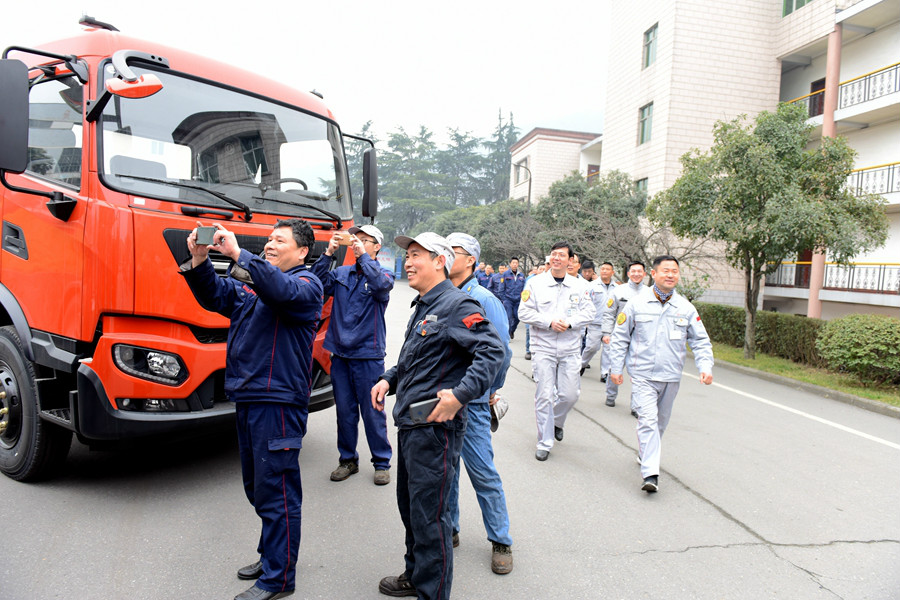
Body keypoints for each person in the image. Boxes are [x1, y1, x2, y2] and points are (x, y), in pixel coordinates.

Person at [181, 220, 323, 600]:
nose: (271, 244)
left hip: (277, 402)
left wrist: (238, 253)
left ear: (302, 252)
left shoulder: (306, 285)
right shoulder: (255, 285)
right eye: (270, 239)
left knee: (277, 490)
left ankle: (279, 578)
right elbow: (215, 294)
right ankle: (273, 555)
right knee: (257, 487)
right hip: (248, 396)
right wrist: (199, 260)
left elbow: (282, 290)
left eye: (281, 240)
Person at [371, 233, 505, 600]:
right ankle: (416, 575)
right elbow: (416, 359)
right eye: (407, 255)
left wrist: (460, 396)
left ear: (440, 261)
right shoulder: (425, 305)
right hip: (412, 425)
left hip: (435, 431)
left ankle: (432, 592)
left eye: (416, 255)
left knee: (432, 520)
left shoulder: (457, 304)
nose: (408, 262)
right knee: (413, 510)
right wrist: (388, 379)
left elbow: (492, 352)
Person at [607, 255, 714, 493]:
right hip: (643, 374)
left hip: (671, 376)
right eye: (665, 271)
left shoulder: (685, 308)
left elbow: (701, 341)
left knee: (661, 423)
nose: (670, 275)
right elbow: (620, 337)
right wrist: (616, 368)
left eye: (674, 271)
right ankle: (651, 474)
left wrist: (705, 367)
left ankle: (646, 454)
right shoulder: (637, 303)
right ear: (653, 274)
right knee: (648, 420)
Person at [445, 232, 514, 575]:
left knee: (482, 471)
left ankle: (501, 539)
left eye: (452, 253)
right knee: (448, 470)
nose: (445, 258)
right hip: (443, 399)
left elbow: (500, 352)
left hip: (470, 401)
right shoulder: (441, 293)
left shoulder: (485, 299)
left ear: (471, 259)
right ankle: (451, 529)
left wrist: (489, 390)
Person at [311, 224, 394, 485]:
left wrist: (363, 257)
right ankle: (348, 460)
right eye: (356, 239)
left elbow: (380, 286)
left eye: (366, 240)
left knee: (373, 411)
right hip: (341, 356)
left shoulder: (382, 274)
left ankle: (381, 462)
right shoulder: (342, 274)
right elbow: (316, 285)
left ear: (376, 246)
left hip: (368, 356)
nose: (358, 242)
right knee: (345, 412)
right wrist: (328, 253)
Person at [518, 241, 595, 461]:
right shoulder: (535, 283)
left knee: (570, 394)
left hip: (570, 348)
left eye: (562, 255)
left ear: (571, 260)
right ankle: (544, 441)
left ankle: (557, 422)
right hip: (543, 347)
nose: (557, 258)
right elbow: (524, 312)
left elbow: (590, 313)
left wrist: (569, 322)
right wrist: (548, 321)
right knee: (544, 395)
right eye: (554, 254)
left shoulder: (581, 286)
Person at [601, 261, 646, 411]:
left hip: (641, 340)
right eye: (633, 271)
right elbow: (608, 314)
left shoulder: (649, 293)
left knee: (639, 375)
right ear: (628, 273)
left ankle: (636, 406)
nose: (636, 274)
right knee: (615, 367)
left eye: (640, 271)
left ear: (644, 274)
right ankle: (611, 395)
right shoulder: (618, 292)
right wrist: (607, 333)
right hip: (620, 337)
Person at [581, 261, 617, 380]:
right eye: (603, 269)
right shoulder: (592, 286)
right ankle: (581, 364)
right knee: (592, 347)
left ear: (612, 272)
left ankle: (605, 373)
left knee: (608, 350)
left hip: (610, 325)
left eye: (608, 269)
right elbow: (586, 302)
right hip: (595, 323)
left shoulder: (617, 288)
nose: (605, 271)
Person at [500, 257, 526, 340]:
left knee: (518, 317)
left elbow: (524, 288)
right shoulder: (505, 274)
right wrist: (504, 299)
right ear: (510, 264)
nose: (515, 264)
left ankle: (511, 331)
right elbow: (501, 288)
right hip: (508, 299)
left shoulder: (521, 275)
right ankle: (507, 334)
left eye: (516, 263)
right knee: (509, 317)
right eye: (513, 263)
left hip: (518, 300)